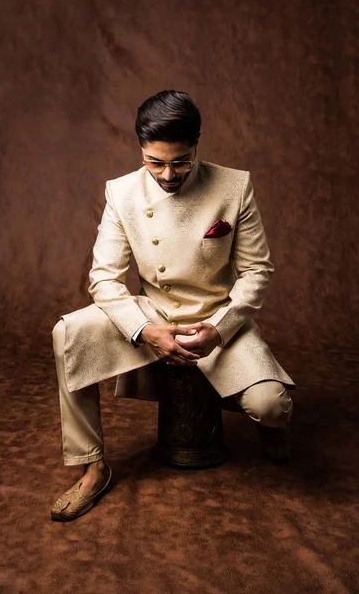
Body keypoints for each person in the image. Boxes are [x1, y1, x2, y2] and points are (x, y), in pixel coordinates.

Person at [50, 90, 296, 522]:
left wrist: (220, 328)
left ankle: (271, 428)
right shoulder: (122, 192)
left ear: (196, 145)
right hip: (153, 315)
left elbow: (258, 271)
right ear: (141, 148)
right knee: (66, 332)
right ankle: (92, 465)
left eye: (180, 162)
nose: (167, 174)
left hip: (218, 316)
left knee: (272, 406)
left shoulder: (234, 185)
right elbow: (104, 278)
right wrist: (144, 330)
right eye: (154, 161)